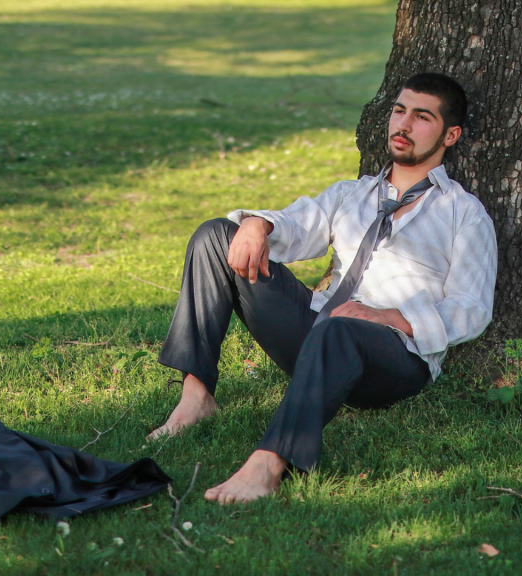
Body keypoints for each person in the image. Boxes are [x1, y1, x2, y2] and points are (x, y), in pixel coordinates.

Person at [148, 73, 497, 504]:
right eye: (399, 111)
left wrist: (386, 317)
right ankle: (196, 395)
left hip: (392, 353)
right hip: (318, 328)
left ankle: (268, 465)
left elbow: (472, 307)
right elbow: (298, 225)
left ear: (451, 134)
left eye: (422, 117)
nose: (403, 125)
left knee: (340, 327)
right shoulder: (353, 194)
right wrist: (260, 223)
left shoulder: (464, 213)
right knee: (216, 236)